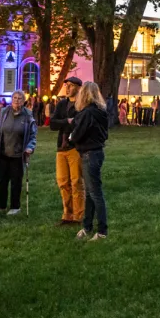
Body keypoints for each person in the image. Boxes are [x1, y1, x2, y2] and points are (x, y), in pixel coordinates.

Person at [70, 81, 110, 241]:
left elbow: (78, 133)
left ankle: (102, 231)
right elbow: (104, 134)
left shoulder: (87, 113)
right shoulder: (101, 112)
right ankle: (87, 226)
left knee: (95, 193)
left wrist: (72, 137)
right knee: (90, 192)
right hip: (97, 152)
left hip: (89, 153)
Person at [0, 90, 36, 215]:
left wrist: (30, 147)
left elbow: (33, 135)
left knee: (16, 182)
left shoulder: (27, 115)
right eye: (15, 98)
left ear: (23, 101)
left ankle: (15, 207)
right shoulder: (4, 112)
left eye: (20, 98)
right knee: (1, 181)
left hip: (18, 154)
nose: (17, 100)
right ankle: (1, 206)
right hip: (3, 153)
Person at [49, 77, 84, 226]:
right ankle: (67, 214)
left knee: (76, 182)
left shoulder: (81, 105)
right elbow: (52, 124)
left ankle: (78, 215)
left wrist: (70, 123)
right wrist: (66, 121)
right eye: (66, 85)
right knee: (63, 181)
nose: (67, 88)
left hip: (75, 147)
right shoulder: (62, 104)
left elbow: (80, 124)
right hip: (61, 148)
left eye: (70, 85)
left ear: (77, 87)